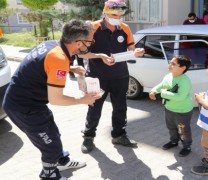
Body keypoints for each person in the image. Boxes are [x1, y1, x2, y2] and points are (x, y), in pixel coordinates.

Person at [2, 20, 105, 180]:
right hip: (23, 107)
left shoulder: (53, 45)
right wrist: (83, 99)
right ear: (78, 43)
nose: (91, 44)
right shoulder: (59, 58)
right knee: (49, 144)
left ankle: (61, 161)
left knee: (53, 133)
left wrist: (70, 68)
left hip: (32, 103)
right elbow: (56, 99)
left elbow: (41, 64)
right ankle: (49, 175)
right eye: (90, 41)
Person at [79, 0, 145, 153]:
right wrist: (100, 56)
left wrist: (137, 52)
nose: (117, 17)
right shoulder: (92, 28)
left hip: (120, 76)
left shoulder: (125, 28)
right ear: (105, 12)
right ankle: (88, 137)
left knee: (120, 108)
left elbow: (132, 49)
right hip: (97, 77)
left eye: (120, 14)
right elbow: (81, 52)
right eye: (114, 14)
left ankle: (119, 135)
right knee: (94, 108)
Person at [149, 55, 193, 157]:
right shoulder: (168, 76)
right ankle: (174, 142)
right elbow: (161, 85)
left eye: (173, 64)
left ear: (183, 68)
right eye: (170, 63)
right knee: (171, 127)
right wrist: (154, 90)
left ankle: (187, 146)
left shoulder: (185, 80)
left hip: (182, 111)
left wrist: (163, 93)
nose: (170, 65)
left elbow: (180, 97)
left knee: (183, 130)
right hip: (169, 108)